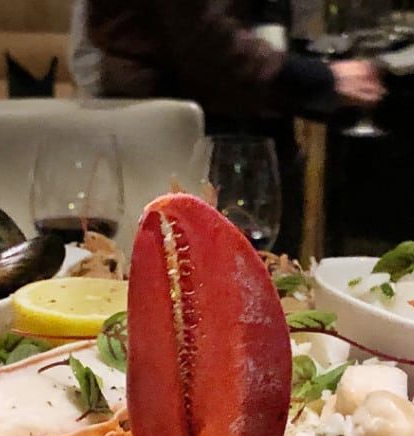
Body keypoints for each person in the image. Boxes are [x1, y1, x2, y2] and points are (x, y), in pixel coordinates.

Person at [68, 0, 385, 258]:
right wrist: (318, 78)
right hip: (182, 130)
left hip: (240, 117)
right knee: (193, 284)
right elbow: (204, 41)